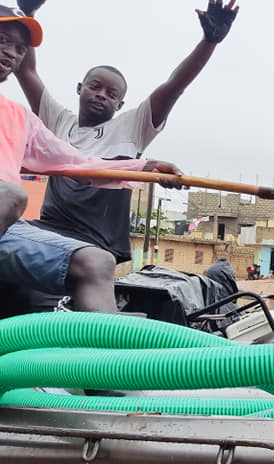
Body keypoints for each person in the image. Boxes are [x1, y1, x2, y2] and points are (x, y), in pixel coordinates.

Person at [13, 0, 238, 266]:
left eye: (112, 94)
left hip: (97, 242)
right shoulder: (58, 120)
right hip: (49, 231)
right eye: (94, 87)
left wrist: (208, 42)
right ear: (79, 88)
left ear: (120, 104)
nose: (101, 95)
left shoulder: (132, 126)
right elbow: (26, 70)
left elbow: (175, 85)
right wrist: (27, 13)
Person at [0, 6, 181, 313]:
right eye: (3, 39)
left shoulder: (21, 118)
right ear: (80, 89)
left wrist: (144, 167)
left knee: (97, 261)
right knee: (12, 194)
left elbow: (80, 165)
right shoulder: (60, 119)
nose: (11, 53)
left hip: (7, 224)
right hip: (8, 206)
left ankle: (107, 360)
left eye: (19, 48)